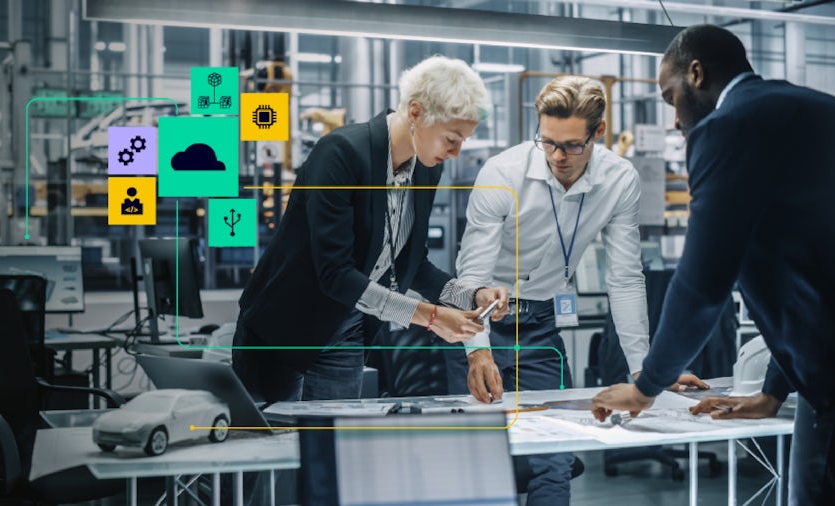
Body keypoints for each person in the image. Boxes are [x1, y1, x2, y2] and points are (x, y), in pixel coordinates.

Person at [590, 24, 835, 504]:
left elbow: (703, 284)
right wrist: (772, 392)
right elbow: (812, 268)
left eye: (671, 98)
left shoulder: (727, 128)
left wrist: (646, 388)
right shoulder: (815, 110)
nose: (676, 119)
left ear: (696, 74)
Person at [443, 75, 706, 506]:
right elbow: (470, 273)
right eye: (547, 142)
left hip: (542, 325)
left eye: (571, 145)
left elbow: (623, 278)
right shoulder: (502, 173)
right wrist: (477, 350)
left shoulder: (619, 180)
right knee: (479, 459)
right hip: (480, 322)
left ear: (597, 132)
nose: (557, 156)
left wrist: (644, 368)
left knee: (555, 457)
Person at [232, 55, 509, 404]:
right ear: (415, 112)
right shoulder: (342, 153)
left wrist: (471, 296)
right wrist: (431, 316)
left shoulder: (426, 169)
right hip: (285, 330)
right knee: (273, 447)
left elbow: (412, 263)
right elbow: (334, 274)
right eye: (451, 138)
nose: (456, 152)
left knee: (333, 448)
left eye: (463, 141)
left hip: (347, 331)